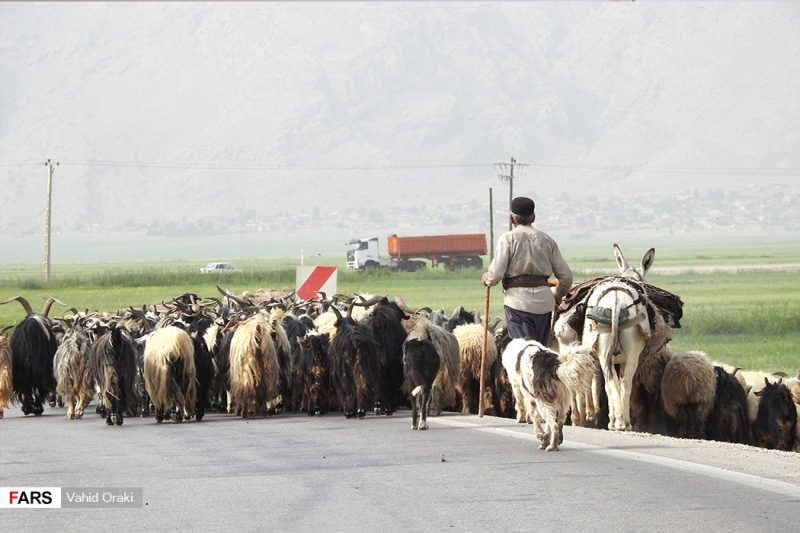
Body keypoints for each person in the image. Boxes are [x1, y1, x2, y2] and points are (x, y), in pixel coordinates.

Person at [481, 196, 573, 345]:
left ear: (512, 219)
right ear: (533, 217)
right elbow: (567, 277)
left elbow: (495, 275)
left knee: (523, 352)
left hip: (518, 303)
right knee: (541, 352)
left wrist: (487, 278)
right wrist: (555, 294)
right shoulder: (548, 240)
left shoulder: (507, 239)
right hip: (544, 304)